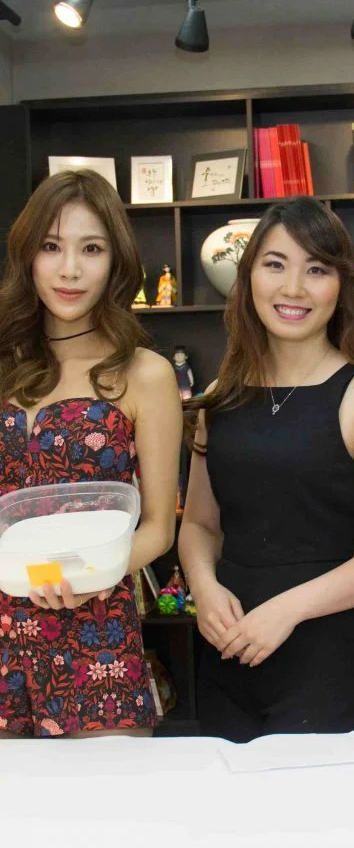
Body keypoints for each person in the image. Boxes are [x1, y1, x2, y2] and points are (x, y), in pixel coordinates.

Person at [178, 197, 354, 741]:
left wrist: (286, 611)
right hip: (229, 651)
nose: (293, 288)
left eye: (317, 270)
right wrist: (204, 588)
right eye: (275, 264)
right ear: (248, 278)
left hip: (328, 659)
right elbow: (200, 524)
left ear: (341, 286)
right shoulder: (219, 395)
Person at [0, 170, 182, 738]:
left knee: (109, 796)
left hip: (96, 634)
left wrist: (88, 573)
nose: (70, 270)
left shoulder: (145, 374)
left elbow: (159, 527)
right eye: (52, 247)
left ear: (116, 261)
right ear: (27, 256)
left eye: (91, 249)